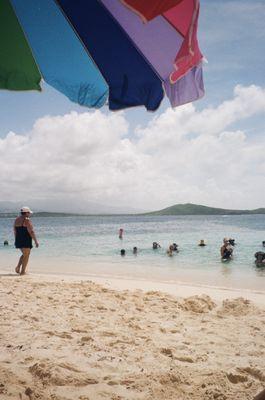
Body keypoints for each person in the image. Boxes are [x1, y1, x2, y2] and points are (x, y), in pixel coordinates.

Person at [14, 207, 39, 275]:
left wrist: (16, 239)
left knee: (25, 254)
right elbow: (31, 232)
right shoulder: (27, 220)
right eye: (29, 213)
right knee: (26, 255)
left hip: (19, 239)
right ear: (26, 213)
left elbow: (15, 230)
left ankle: (18, 267)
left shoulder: (16, 219)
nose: (29, 214)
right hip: (26, 240)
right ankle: (22, 272)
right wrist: (36, 241)